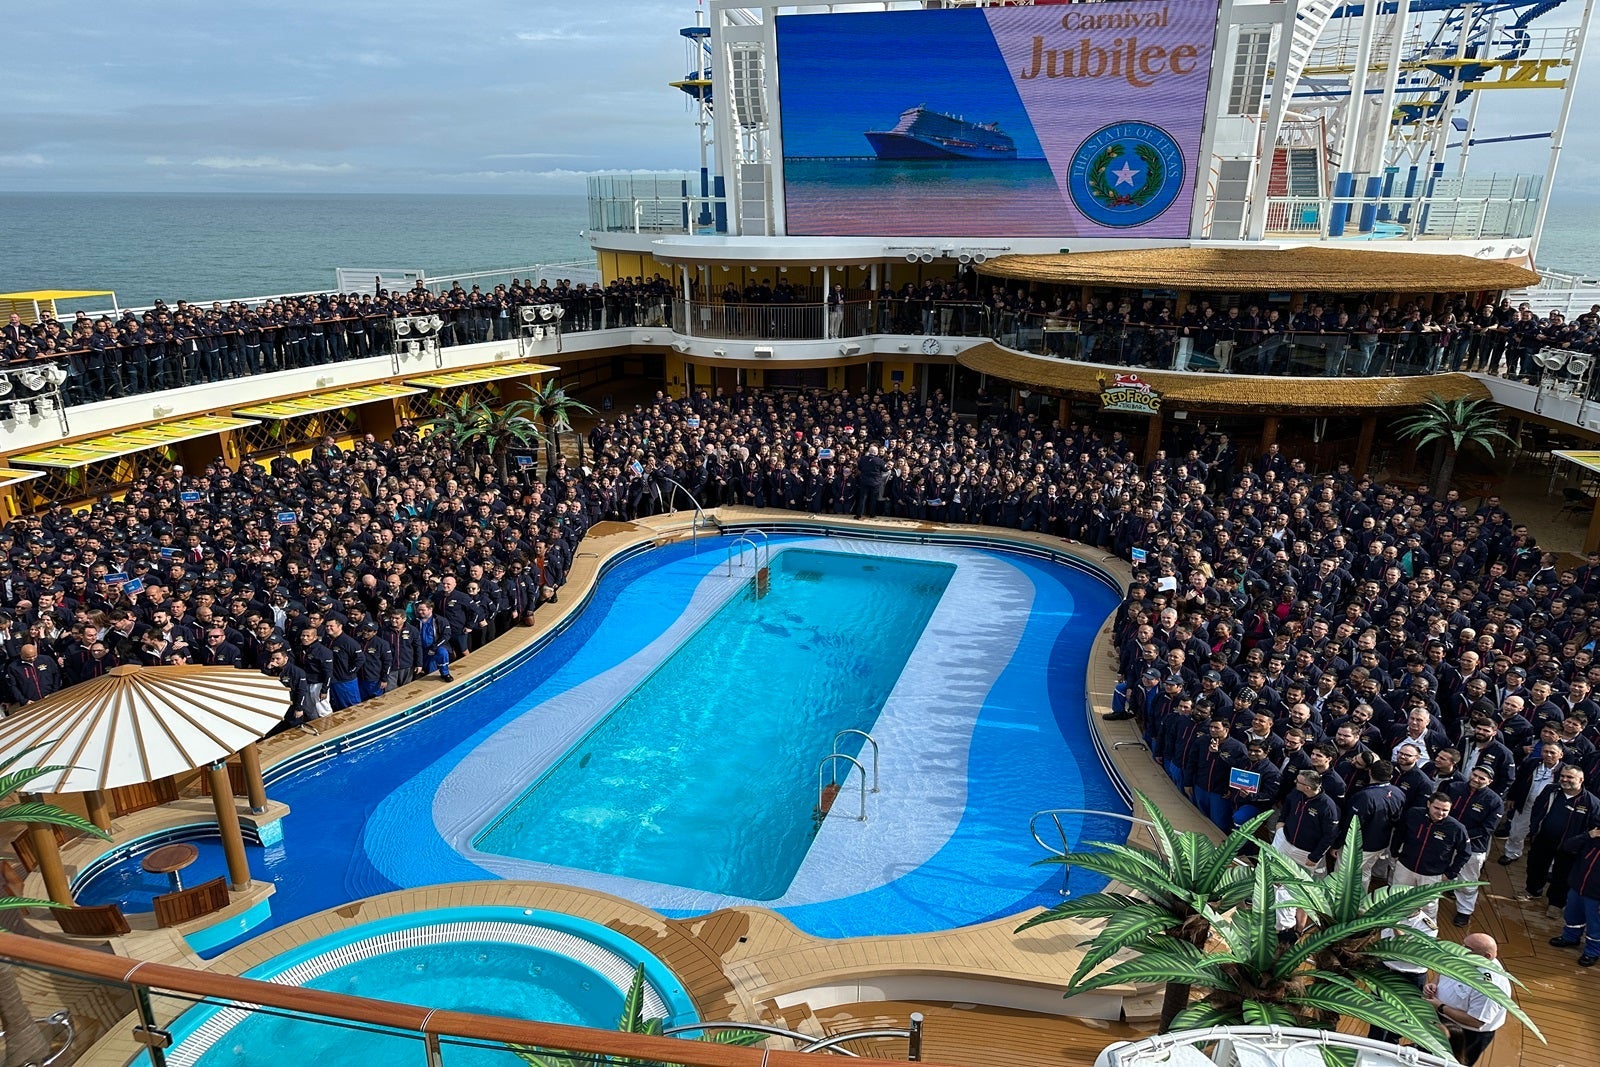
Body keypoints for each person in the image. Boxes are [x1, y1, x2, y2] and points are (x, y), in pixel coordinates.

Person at [1425, 933, 1512, 1065]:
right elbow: (1442, 971)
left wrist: (1441, 1007)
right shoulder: (1465, 956)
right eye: (1463, 944)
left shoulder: (1489, 987)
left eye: (1467, 948)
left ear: (1486, 957)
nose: (1460, 949)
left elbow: (1476, 1021)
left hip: (1465, 1034)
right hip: (1441, 1018)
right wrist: (1433, 983)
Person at [1390, 791, 1472, 922]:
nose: (1440, 813)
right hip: (1405, 867)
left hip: (1432, 875)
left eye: (1445, 810)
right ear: (1428, 804)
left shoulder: (1457, 828)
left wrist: (1451, 873)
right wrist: (1394, 852)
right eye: (1437, 808)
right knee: (1397, 899)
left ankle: (1426, 935)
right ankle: (1392, 927)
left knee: (1428, 907)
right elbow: (1400, 833)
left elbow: (1465, 853)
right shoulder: (1413, 814)